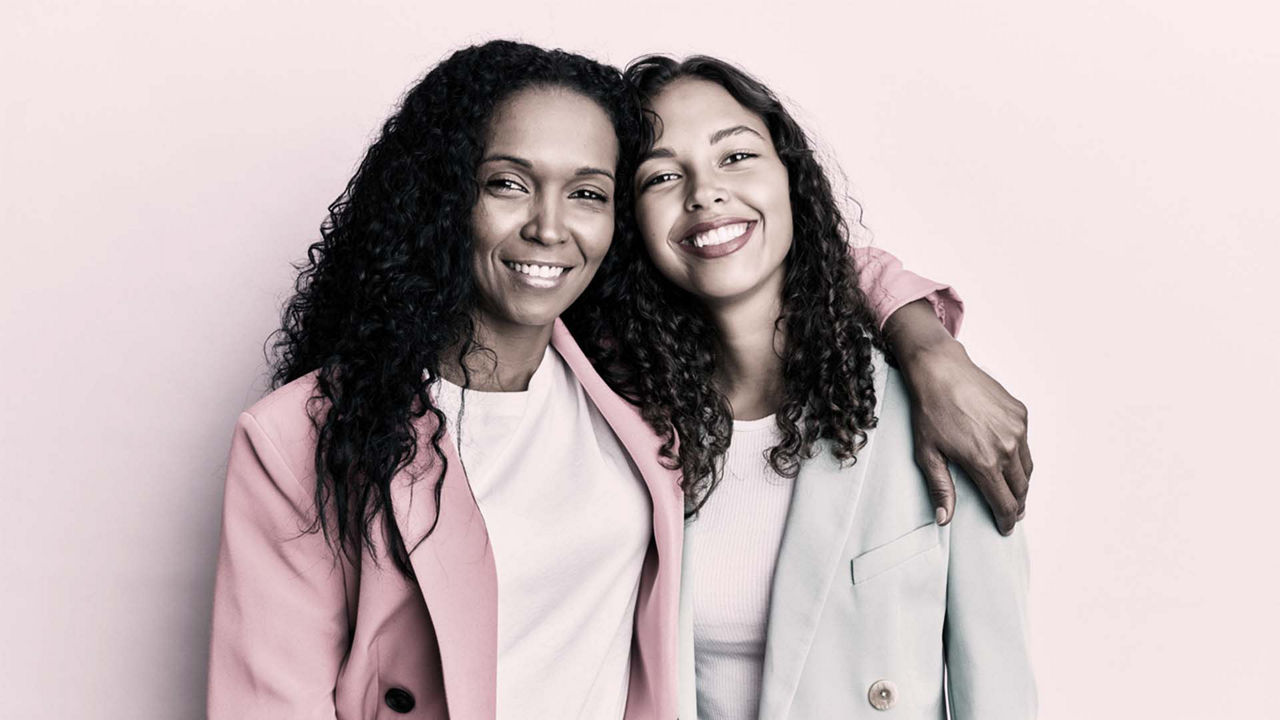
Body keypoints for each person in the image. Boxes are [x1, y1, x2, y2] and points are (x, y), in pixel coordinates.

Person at [209, 40, 1029, 720]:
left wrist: (925, 344)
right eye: (506, 183)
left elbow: (788, 252)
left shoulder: (637, 394)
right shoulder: (308, 436)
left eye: (589, 193)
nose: (550, 225)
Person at [578, 55, 1036, 719]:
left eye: (735, 157)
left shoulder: (932, 410)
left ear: (791, 177)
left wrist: (927, 345)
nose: (704, 193)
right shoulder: (620, 419)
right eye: (662, 176)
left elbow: (998, 685)